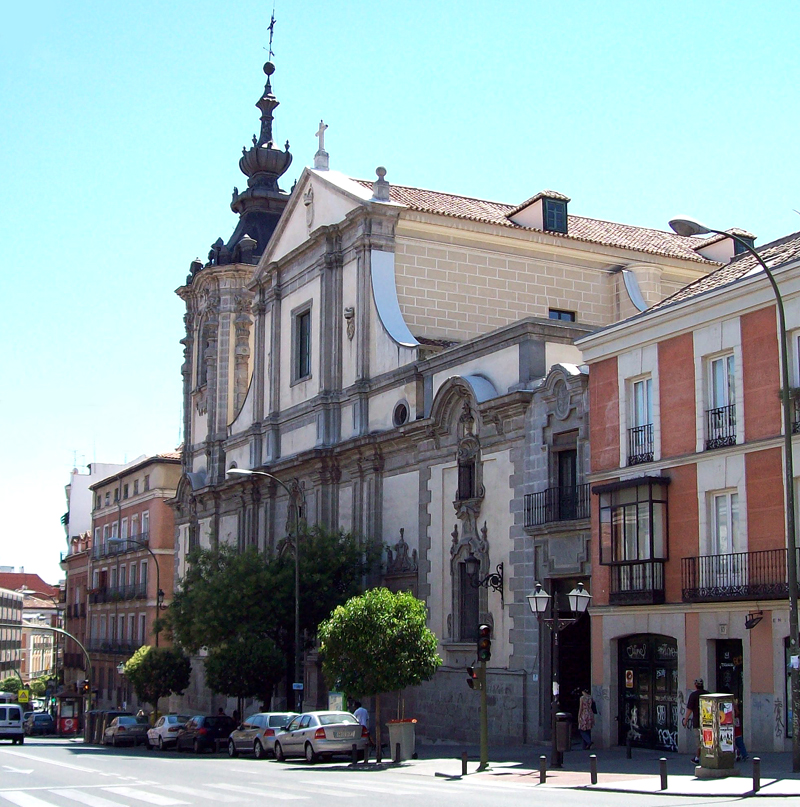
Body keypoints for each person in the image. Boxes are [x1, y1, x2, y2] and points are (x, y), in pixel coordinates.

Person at [683, 678, 708, 764]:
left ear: (695, 685)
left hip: (697, 722)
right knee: (708, 739)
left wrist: (685, 720)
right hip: (708, 722)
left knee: (699, 741)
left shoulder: (693, 695)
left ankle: (697, 758)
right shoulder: (708, 694)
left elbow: (689, 709)